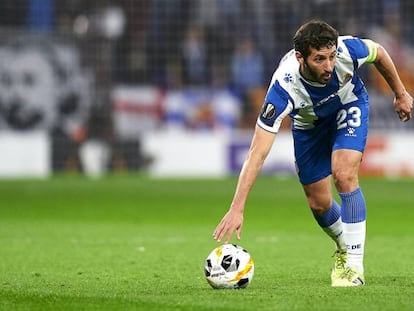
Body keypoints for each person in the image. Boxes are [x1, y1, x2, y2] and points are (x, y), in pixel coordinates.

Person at [212, 20, 413, 287]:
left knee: (344, 174)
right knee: (319, 203)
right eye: (319, 59)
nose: (329, 66)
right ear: (300, 58)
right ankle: (345, 244)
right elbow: (256, 154)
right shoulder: (283, 89)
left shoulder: (346, 49)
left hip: (349, 105)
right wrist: (237, 208)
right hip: (308, 126)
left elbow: (379, 52)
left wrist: (400, 93)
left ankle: (353, 267)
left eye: (331, 57)